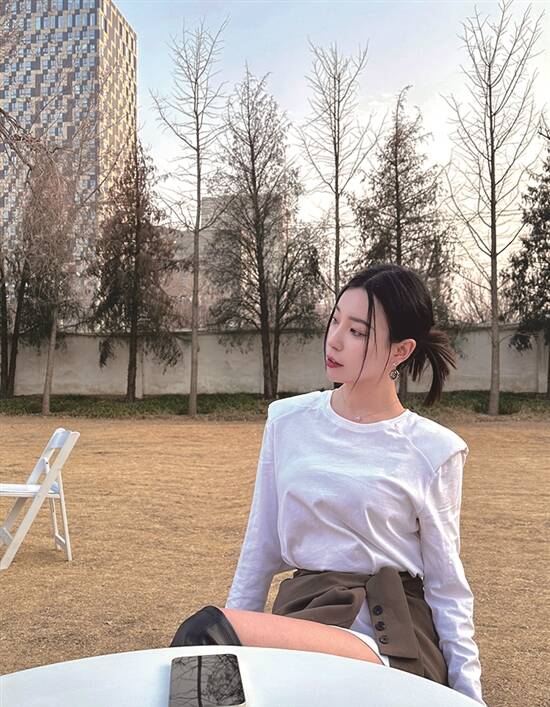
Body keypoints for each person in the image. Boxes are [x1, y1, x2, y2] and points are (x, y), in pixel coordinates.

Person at [170, 264, 486, 706]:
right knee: (207, 646)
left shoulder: (433, 450)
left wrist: (469, 697)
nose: (334, 340)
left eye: (357, 332)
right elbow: (260, 549)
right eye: (335, 320)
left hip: (391, 636)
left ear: (401, 351)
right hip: (305, 615)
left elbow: (446, 587)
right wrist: (235, 637)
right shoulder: (288, 421)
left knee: (206, 633)